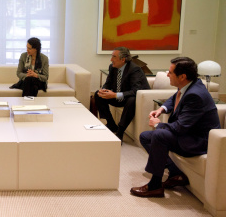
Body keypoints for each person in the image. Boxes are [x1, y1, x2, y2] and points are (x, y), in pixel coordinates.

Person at [130, 57, 220, 198]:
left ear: (182, 76)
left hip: (199, 141)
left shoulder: (196, 95)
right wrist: (162, 109)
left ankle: (155, 186)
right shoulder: (191, 85)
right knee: (145, 137)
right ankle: (176, 172)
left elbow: (180, 128)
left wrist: (158, 124)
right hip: (189, 133)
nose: (167, 74)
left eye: (170, 72)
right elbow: (175, 97)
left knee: (159, 134)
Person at [94, 47, 150, 142]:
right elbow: (108, 82)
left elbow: (136, 90)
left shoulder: (134, 69)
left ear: (122, 59)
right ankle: (111, 125)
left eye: (114, 57)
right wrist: (103, 90)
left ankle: (120, 131)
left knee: (131, 100)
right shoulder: (112, 67)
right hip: (117, 96)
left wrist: (115, 95)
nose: (111, 59)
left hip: (130, 98)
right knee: (97, 95)